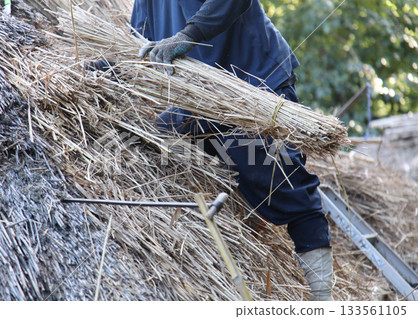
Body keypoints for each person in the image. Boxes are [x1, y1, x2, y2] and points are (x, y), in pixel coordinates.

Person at [131, 0, 333, 301]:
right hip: (197, 100)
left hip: (254, 86)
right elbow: (136, 41)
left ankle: (323, 298)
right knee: (148, 144)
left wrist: (187, 36)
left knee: (275, 174)